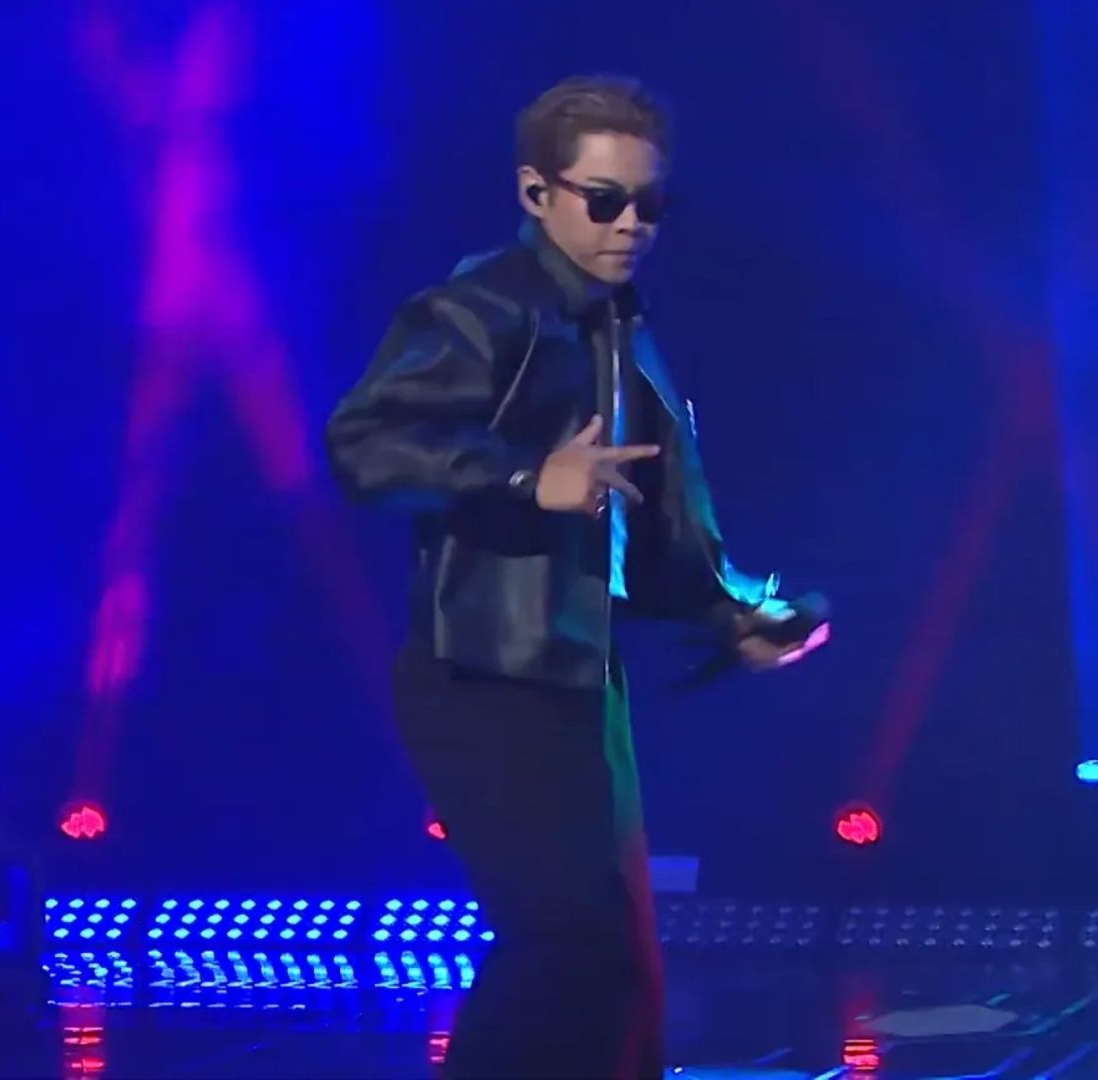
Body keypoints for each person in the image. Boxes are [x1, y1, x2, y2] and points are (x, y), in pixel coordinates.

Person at [325, 75, 821, 1078]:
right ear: (536, 192)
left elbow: (651, 529)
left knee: (619, 965)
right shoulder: (481, 308)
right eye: (604, 200)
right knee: (563, 943)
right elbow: (364, 445)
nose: (631, 223)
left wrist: (732, 615)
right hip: (483, 675)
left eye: (649, 203)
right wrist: (523, 476)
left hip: (580, 682)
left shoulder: (622, 330)